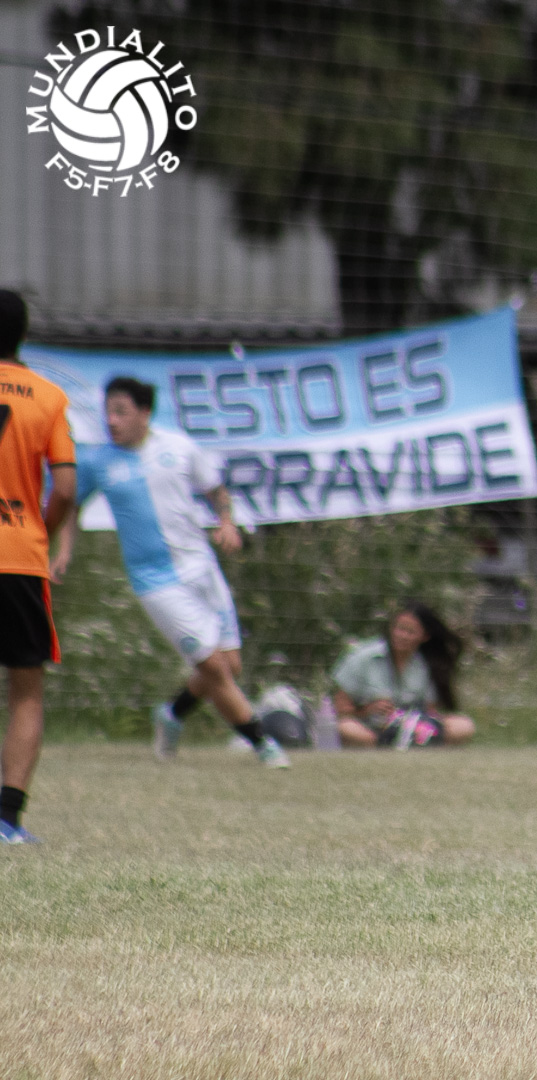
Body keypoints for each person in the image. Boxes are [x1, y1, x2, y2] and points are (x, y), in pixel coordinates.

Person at [52, 377, 289, 768]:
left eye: (121, 412)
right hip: (155, 581)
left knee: (229, 666)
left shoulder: (178, 447)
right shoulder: (98, 462)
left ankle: (172, 714)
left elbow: (216, 490)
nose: (112, 421)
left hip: (201, 566)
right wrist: (64, 550)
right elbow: (71, 504)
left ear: (145, 413)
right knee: (212, 668)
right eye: (108, 412)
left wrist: (226, 522)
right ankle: (263, 744)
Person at [0, 290, 77, 843]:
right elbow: (66, 487)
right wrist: (40, 531)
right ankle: (6, 820)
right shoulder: (48, 396)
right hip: (18, 555)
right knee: (26, 688)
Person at [331, 604, 476, 748]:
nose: (402, 636)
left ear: (425, 636)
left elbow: (431, 711)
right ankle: (384, 747)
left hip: (414, 727)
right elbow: (341, 710)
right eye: (399, 629)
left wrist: (416, 722)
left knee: (463, 725)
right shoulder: (362, 657)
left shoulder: (427, 663)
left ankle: (414, 743)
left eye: (410, 632)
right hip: (371, 728)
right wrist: (368, 710)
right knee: (345, 727)